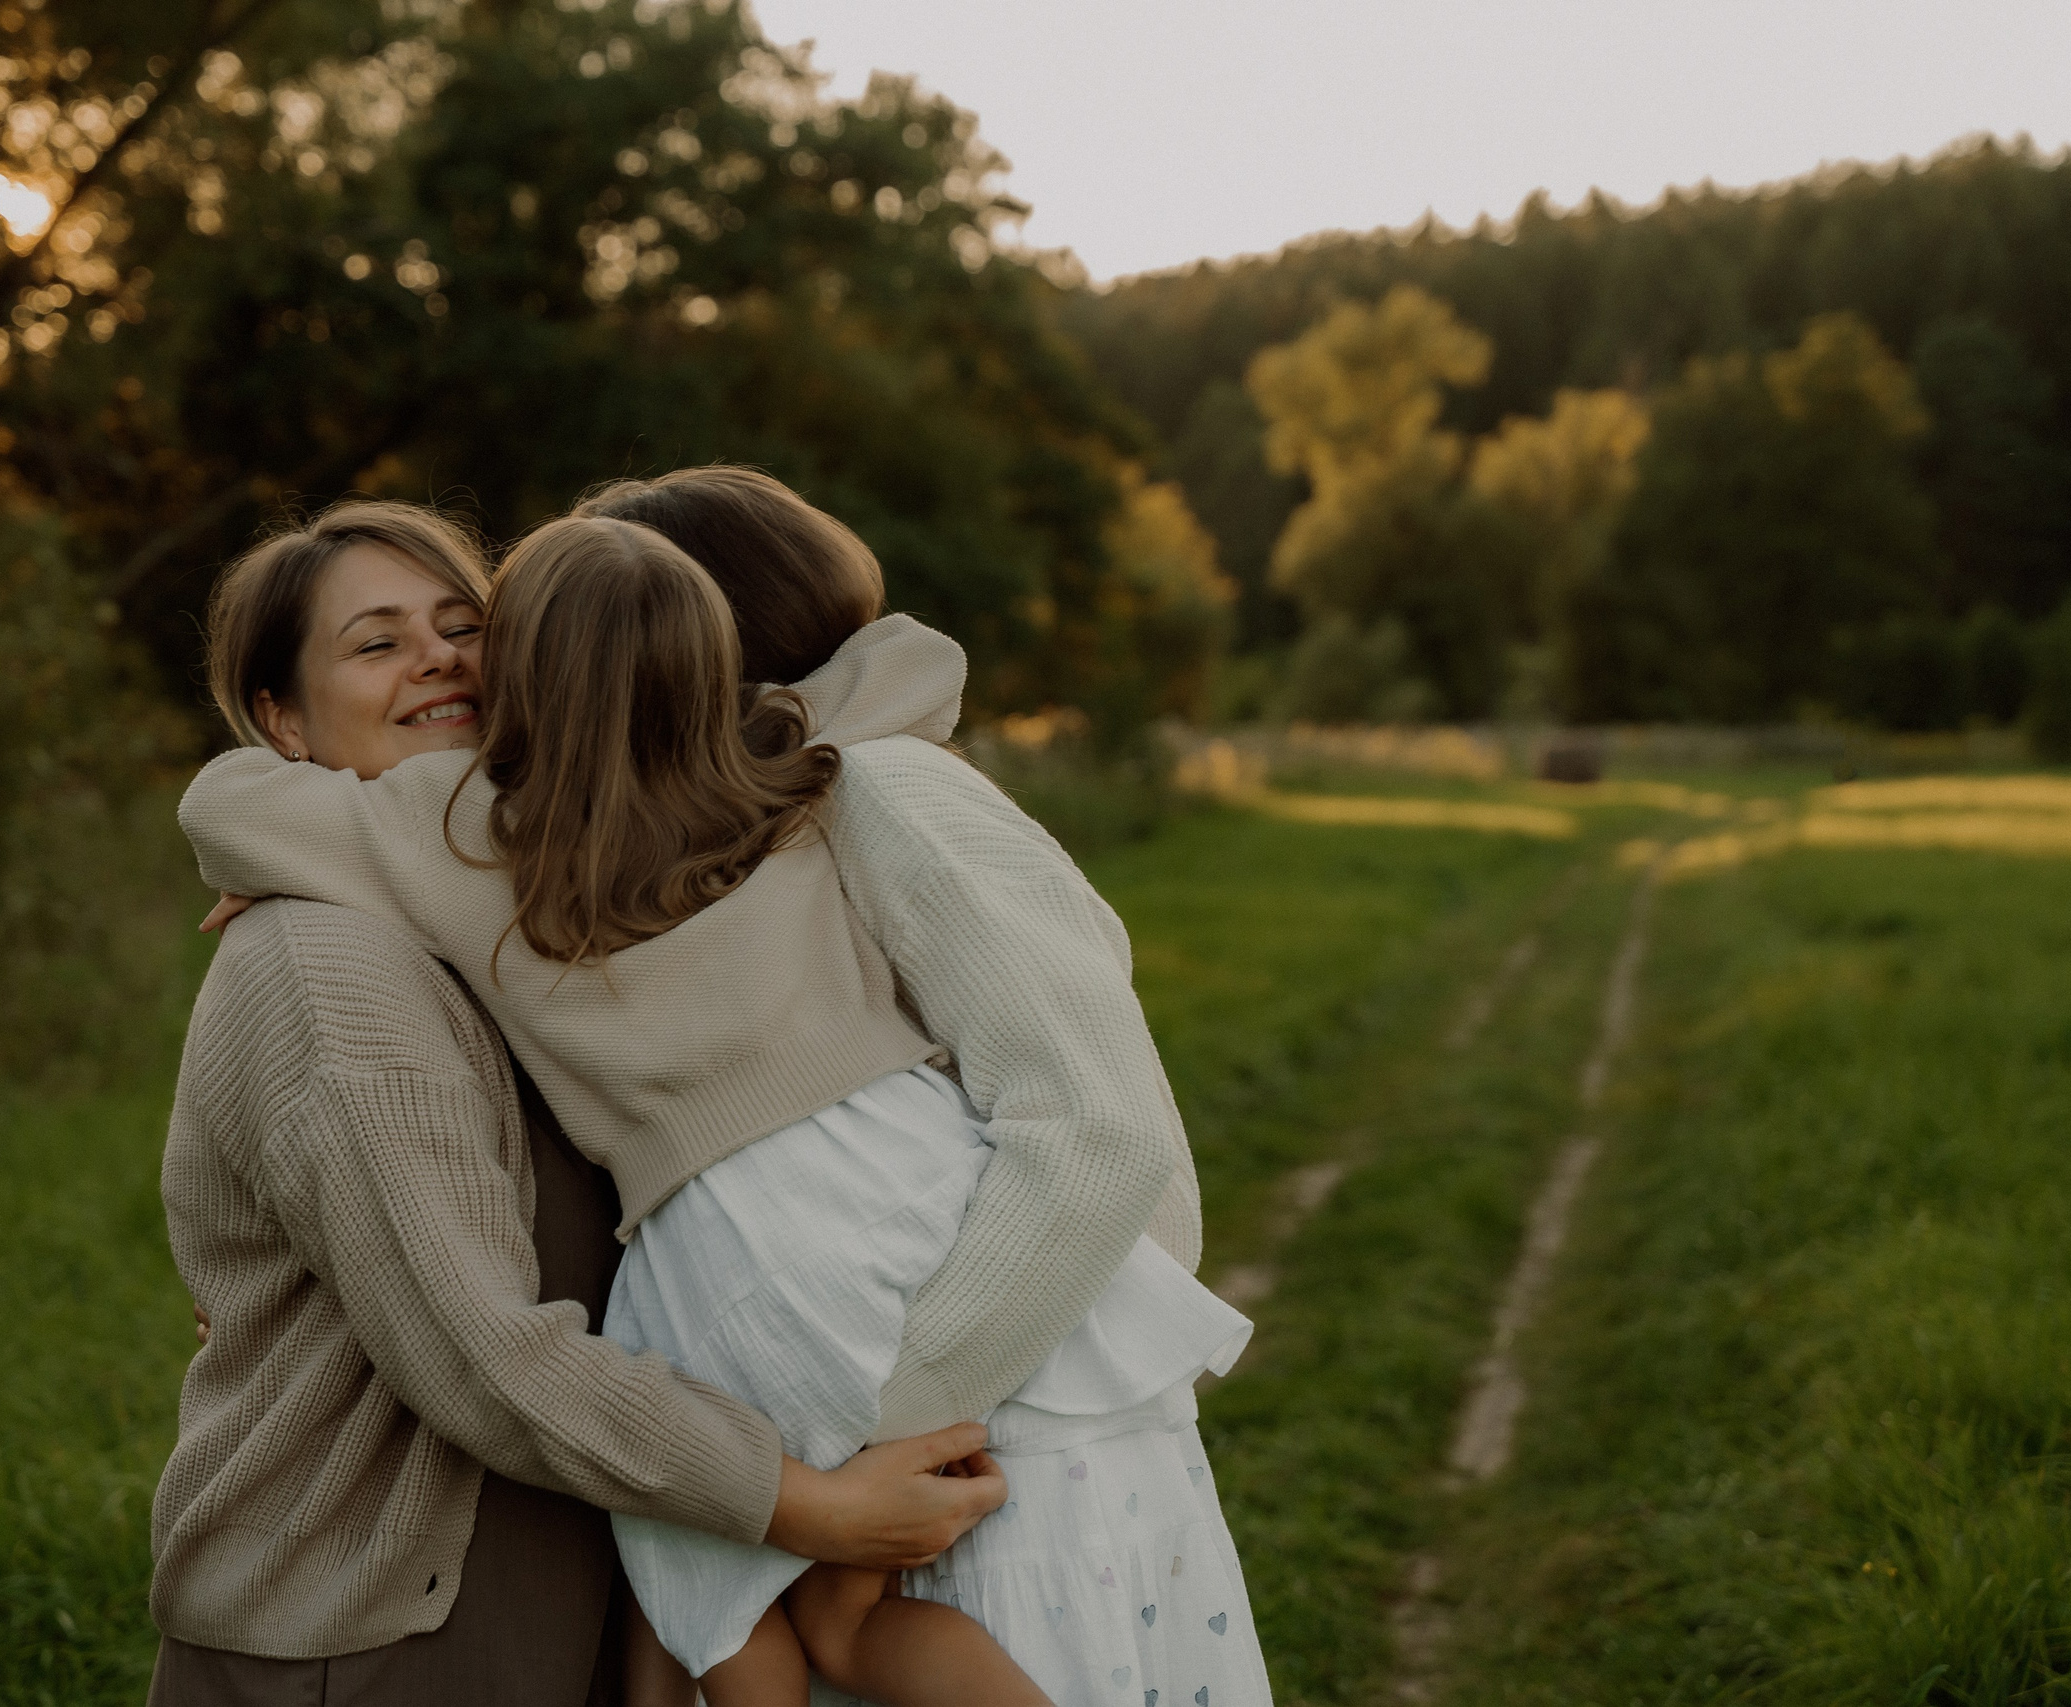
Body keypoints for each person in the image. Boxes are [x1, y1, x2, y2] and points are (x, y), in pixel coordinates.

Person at [177, 513, 1273, 1706]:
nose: (438, 660)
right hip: (906, 1178)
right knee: (825, 1610)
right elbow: (913, 664)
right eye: (377, 643)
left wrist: (282, 844)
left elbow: (223, 808)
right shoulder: (788, 781)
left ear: (525, 668)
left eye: (462, 627)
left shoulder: (463, 840)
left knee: (721, 1602)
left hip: (740, 1248)